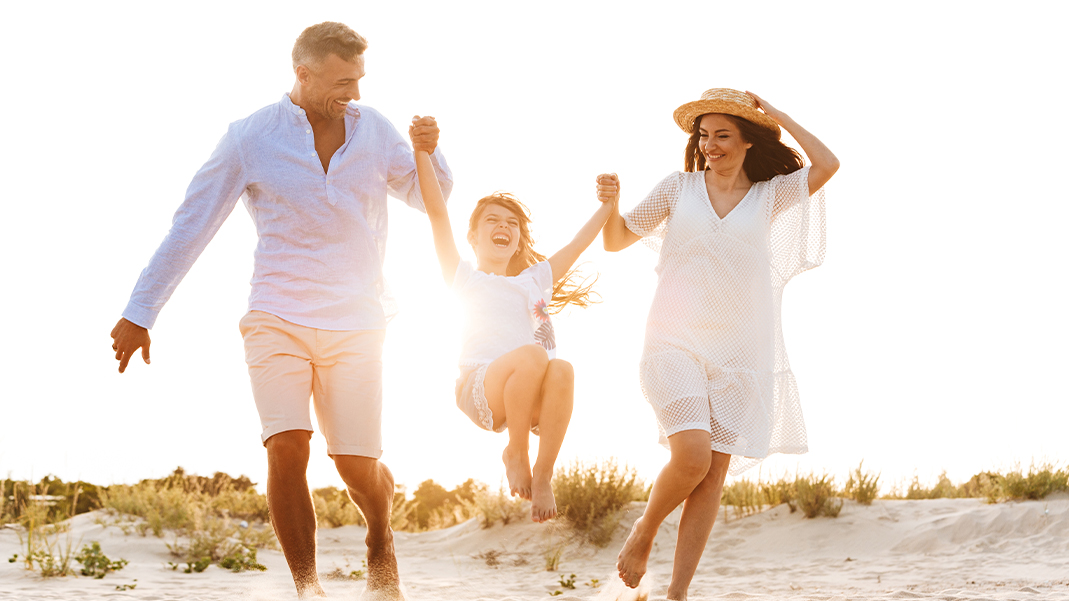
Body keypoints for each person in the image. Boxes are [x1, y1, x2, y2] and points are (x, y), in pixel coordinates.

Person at [108, 22, 452, 599]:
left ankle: (380, 537)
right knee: (287, 447)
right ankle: (308, 589)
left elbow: (428, 197)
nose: (357, 94)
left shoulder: (376, 131)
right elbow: (192, 224)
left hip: (358, 320)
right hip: (276, 315)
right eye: (344, 82)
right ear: (304, 73)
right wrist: (141, 309)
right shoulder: (250, 137)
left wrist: (428, 153)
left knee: (356, 469)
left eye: (361, 80)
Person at [597, 88, 839, 598]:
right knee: (691, 458)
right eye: (703, 135)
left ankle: (678, 593)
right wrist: (611, 205)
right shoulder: (677, 189)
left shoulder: (767, 197)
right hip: (673, 340)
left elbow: (827, 163)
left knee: (712, 475)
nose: (709, 145)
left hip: (741, 353)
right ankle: (643, 533)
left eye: (722, 135)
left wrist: (776, 115)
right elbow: (617, 240)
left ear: (748, 141)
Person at [409, 121, 612, 522]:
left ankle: (543, 473)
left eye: (512, 224)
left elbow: (577, 244)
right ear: (473, 236)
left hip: (528, 392)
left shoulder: (535, 279)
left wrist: (608, 205)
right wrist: (422, 152)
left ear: (519, 239)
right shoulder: (464, 276)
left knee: (562, 368)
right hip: (480, 385)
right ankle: (516, 452)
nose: (503, 226)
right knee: (534, 354)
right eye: (492, 220)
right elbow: (436, 212)